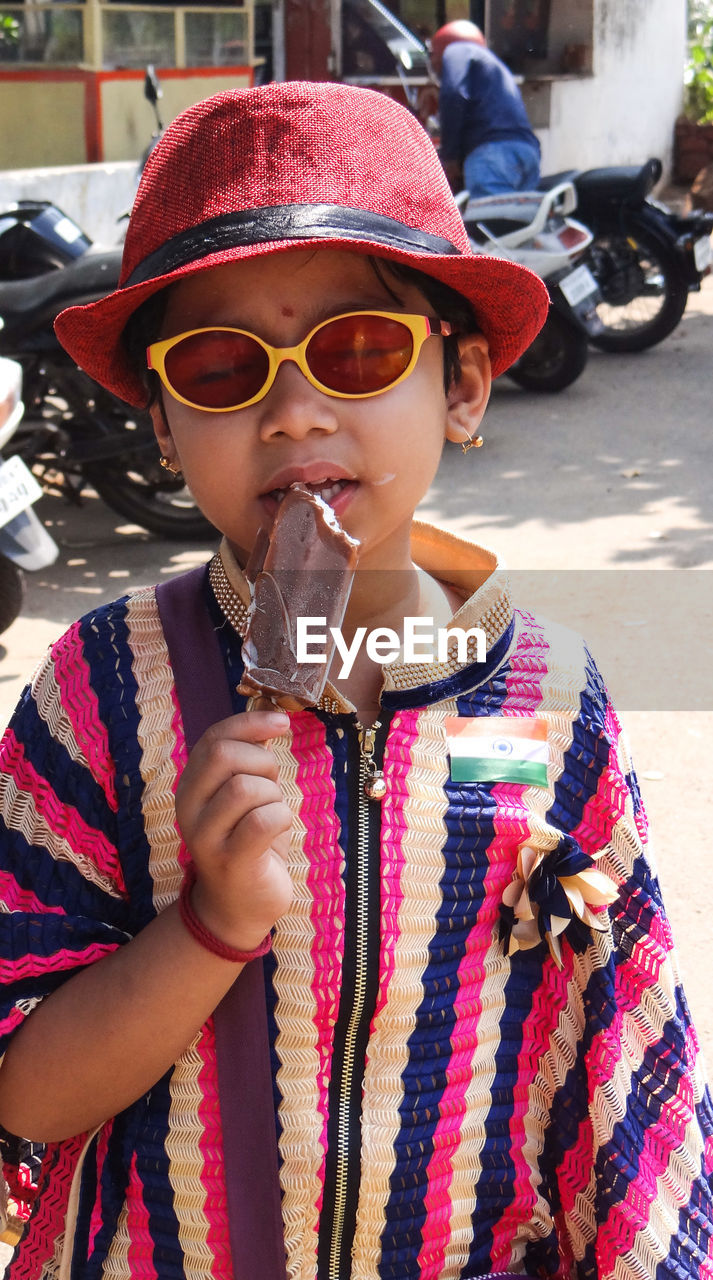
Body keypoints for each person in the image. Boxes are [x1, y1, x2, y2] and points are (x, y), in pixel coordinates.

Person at [0, 81, 711, 1280]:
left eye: (360, 346)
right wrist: (209, 924)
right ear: (165, 428)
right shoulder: (103, 694)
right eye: (223, 365)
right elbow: (26, 1091)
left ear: (465, 385)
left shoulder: (542, 704)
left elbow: (612, 1044)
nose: (294, 408)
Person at [430, 20, 541, 197]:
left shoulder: (456, 50)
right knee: (513, 222)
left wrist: (450, 156)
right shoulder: (492, 65)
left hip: (493, 155)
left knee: (489, 222)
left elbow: (453, 93)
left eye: (433, 54)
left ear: (441, 47)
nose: (433, 61)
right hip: (526, 153)